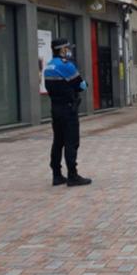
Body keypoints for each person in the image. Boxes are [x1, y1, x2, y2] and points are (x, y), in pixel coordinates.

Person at [44, 39, 92, 187]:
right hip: (68, 108)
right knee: (71, 141)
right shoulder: (66, 66)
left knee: (58, 141)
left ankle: (57, 175)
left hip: (55, 108)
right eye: (67, 48)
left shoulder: (48, 66)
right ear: (62, 50)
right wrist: (84, 84)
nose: (69, 51)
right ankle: (73, 175)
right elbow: (80, 85)